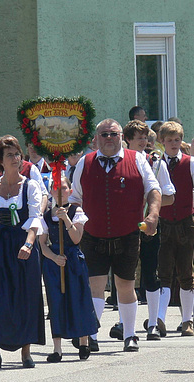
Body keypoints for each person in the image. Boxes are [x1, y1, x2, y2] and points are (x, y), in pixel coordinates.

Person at [71, 118, 162, 352]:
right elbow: (74, 198)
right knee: (95, 285)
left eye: (113, 134)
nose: (109, 138)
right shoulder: (85, 162)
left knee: (125, 284)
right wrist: (76, 217)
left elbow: (154, 189)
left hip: (127, 233)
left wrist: (152, 215)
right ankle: (91, 335)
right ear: (96, 139)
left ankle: (130, 335)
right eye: (104, 134)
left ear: (121, 136)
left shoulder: (137, 159)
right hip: (93, 234)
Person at [0, 135, 45, 369]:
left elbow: (35, 218)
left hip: (23, 246)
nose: (15, 158)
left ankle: (26, 351)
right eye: (10, 155)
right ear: (0, 161)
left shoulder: (30, 185)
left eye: (17, 154)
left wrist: (29, 243)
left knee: (25, 296)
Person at [122, 120, 176, 340]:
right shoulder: (119, 162)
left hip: (149, 225)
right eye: (139, 138)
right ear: (128, 140)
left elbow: (170, 196)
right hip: (124, 225)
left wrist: (150, 203)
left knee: (150, 273)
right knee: (123, 275)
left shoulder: (156, 163)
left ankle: (153, 323)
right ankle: (122, 323)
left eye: (146, 137)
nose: (144, 142)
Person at [155, 122, 194, 337]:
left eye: (177, 140)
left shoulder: (192, 163)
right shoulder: (157, 164)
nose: (174, 144)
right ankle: (159, 318)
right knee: (164, 273)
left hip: (187, 223)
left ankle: (187, 321)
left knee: (186, 272)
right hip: (164, 223)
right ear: (162, 142)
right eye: (169, 141)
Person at [40, 176, 97, 362]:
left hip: (73, 259)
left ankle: (83, 341)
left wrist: (66, 219)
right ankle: (57, 348)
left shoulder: (76, 211)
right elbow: (43, 245)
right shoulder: (47, 215)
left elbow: (76, 239)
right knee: (56, 302)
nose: (60, 191)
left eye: (63, 188)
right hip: (55, 261)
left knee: (79, 298)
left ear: (70, 191)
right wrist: (54, 258)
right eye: (56, 187)